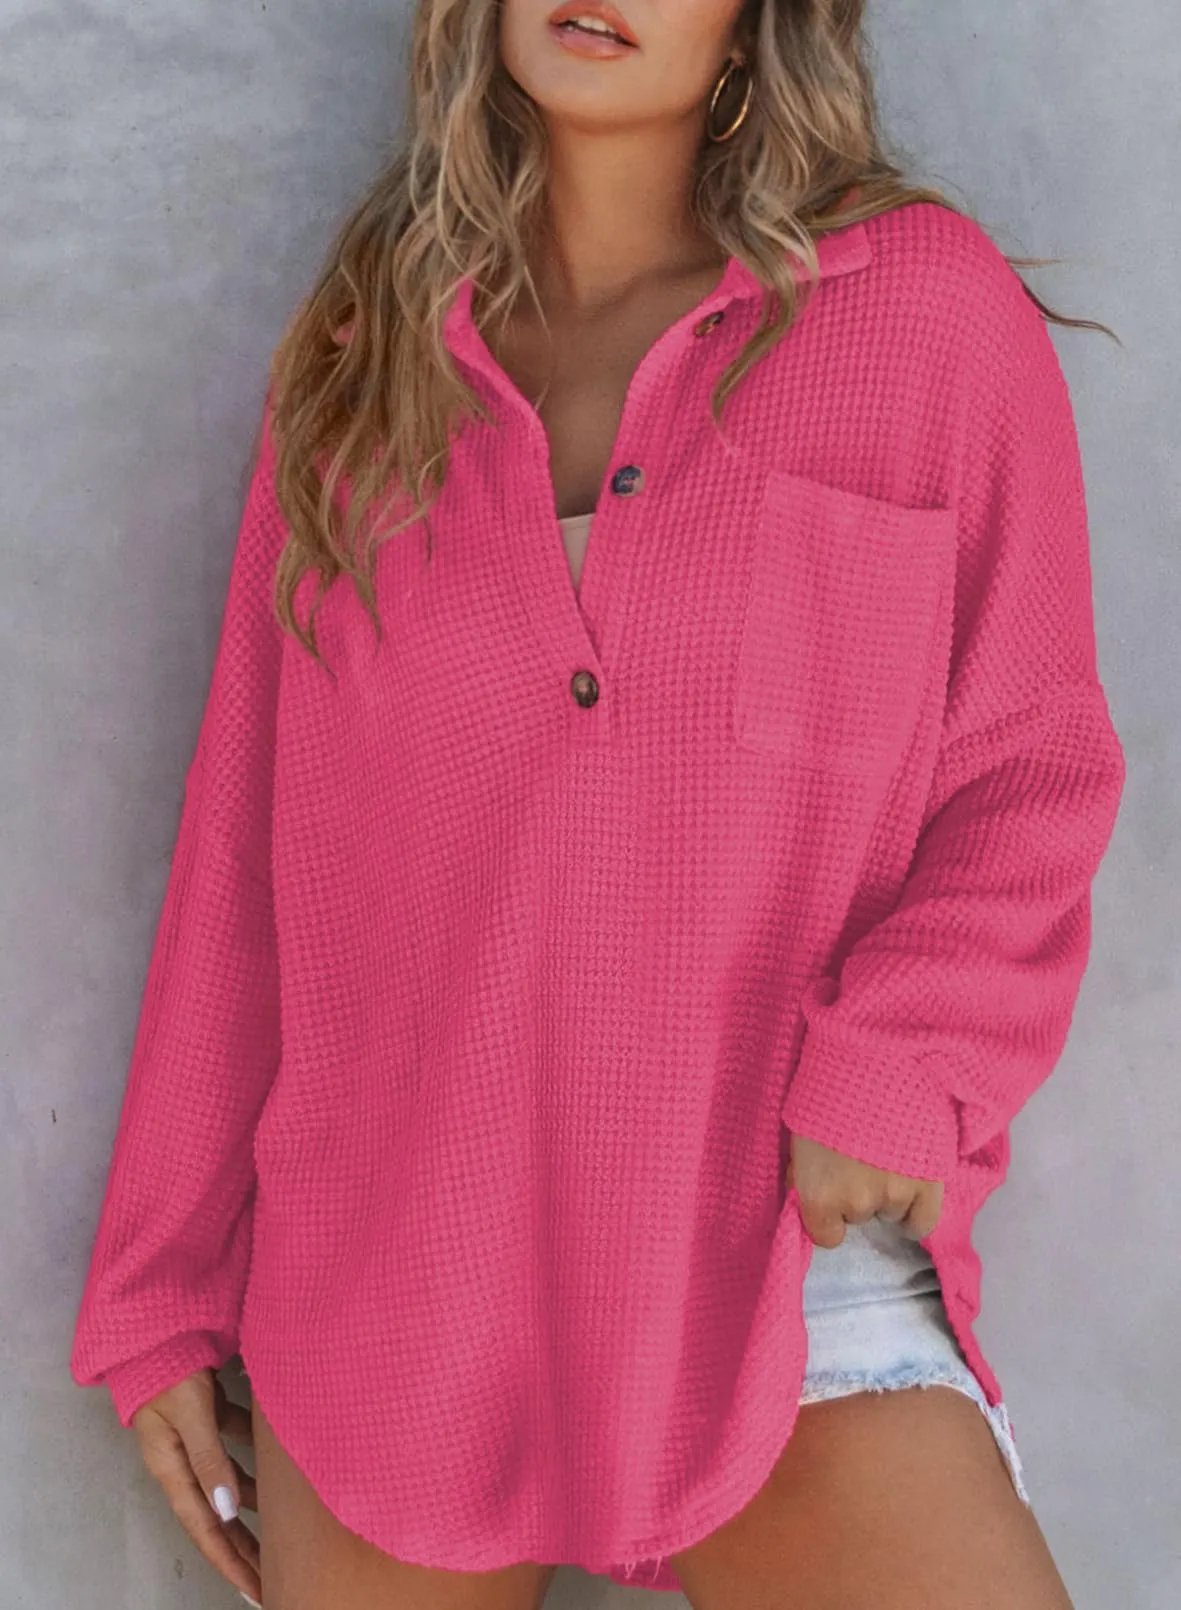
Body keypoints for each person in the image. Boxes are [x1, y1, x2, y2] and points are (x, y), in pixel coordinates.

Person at [69, 3, 1127, 1607]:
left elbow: (1028, 767)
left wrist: (901, 1061)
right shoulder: (362, 369)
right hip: (402, 1273)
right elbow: (247, 858)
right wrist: (162, 1283)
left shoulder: (915, 310)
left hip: (771, 1255)